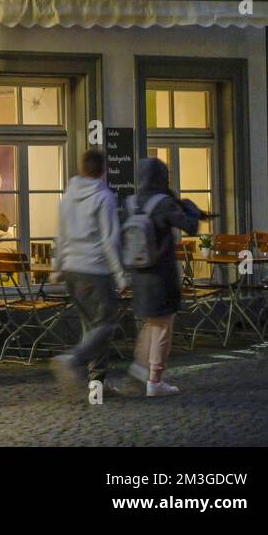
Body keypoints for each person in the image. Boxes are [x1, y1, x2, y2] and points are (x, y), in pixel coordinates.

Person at [50, 148, 127, 396]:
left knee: (92, 329)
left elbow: (60, 234)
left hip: (72, 270)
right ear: (103, 170)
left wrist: (57, 266)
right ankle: (73, 360)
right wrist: (121, 275)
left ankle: (96, 388)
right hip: (95, 270)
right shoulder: (104, 197)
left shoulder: (68, 195)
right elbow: (109, 240)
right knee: (105, 325)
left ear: (81, 168)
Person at [123, 156, 200, 397]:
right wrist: (190, 208)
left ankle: (140, 367)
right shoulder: (164, 203)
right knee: (164, 324)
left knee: (150, 323)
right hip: (161, 273)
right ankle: (155, 379)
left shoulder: (131, 202)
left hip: (138, 272)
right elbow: (190, 226)